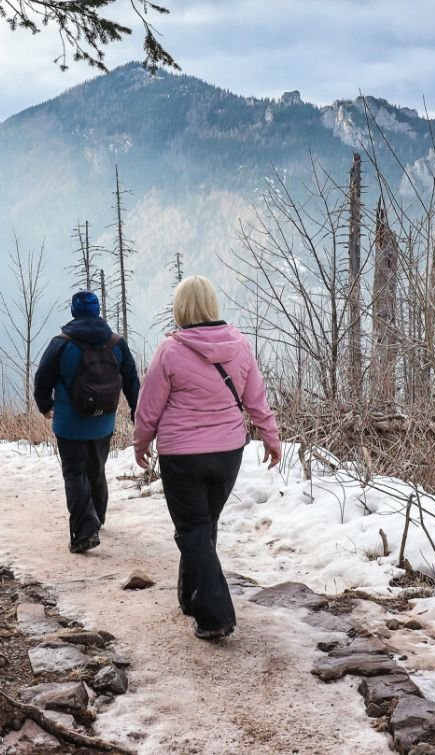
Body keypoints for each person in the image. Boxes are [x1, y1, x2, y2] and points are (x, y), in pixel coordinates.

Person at [134, 275, 280, 641]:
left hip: (182, 456)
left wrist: (141, 442)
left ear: (180, 308)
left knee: (194, 528)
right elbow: (256, 398)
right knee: (203, 524)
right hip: (228, 452)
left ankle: (214, 615)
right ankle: (191, 595)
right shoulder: (240, 345)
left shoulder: (169, 350)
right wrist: (270, 436)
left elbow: (149, 406)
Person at [34, 290, 140, 553]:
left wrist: (45, 405)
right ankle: (98, 517)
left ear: (74, 311)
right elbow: (131, 379)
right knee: (96, 468)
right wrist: (137, 409)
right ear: (97, 310)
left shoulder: (61, 343)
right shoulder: (116, 343)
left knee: (74, 473)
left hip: (69, 423)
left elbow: (42, 379)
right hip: (103, 421)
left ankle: (84, 532)